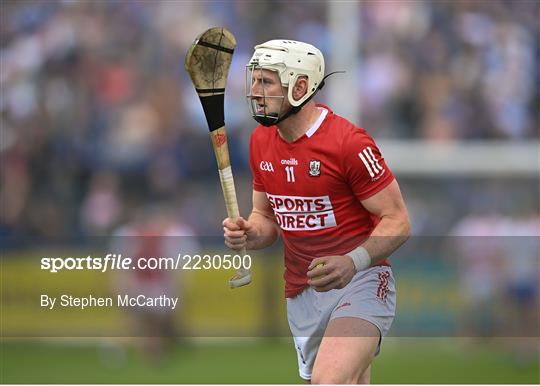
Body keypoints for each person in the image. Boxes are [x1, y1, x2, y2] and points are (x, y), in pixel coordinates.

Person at [223, 40, 410, 384]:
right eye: (254, 80)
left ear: (300, 86)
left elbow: (398, 221)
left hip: (361, 282)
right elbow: (265, 219)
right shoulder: (261, 141)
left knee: (330, 381)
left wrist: (353, 261)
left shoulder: (349, 143)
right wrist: (249, 232)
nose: (254, 91)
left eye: (266, 82)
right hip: (303, 292)